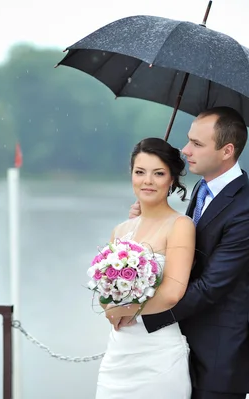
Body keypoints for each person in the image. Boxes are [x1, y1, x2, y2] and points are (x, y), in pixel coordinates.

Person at [123, 106, 249, 399]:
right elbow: (187, 256)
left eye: (197, 144)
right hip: (178, 352)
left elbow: (210, 287)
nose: (185, 149)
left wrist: (142, 316)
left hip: (217, 364)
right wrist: (147, 219)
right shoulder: (202, 192)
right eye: (189, 139)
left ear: (227, 150)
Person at [95, 137, 196, 399]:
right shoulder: (121, 229)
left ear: (172, 179)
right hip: (118, 353)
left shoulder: (180, 225)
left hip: (157, 354)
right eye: (140, 172)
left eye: (158, 173)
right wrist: (109, 307)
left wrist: (127, 309)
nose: (147, 181)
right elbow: (105, 285)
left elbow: (173, 292)